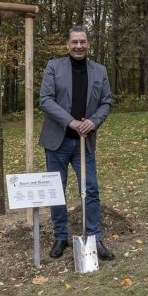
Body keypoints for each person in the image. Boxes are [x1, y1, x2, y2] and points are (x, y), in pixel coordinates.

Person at [39, 26, 114, 261]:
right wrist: (71, 122)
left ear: (88, 44)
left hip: (85, 142)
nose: (79, 46)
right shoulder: (54, 67)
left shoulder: (99, 71)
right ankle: (60, 236)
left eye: (83, 42)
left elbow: (106, 102)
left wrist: (93, 121)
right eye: (74, 42)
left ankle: (94, 238)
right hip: (57, 142)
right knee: (56, 192)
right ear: (67, 44)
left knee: (90, 189)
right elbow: (45, 100)